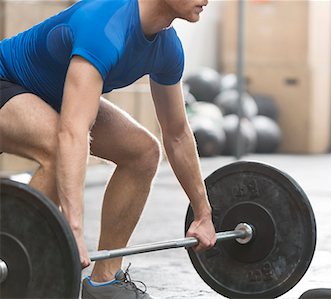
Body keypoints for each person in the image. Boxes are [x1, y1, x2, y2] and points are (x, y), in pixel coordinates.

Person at [0, 0, 216, 298]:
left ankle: (104, 282)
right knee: (57, 146)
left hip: (54, 96)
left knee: (143, 152)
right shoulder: (104, 24)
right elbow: (73, 133)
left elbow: (177, 134)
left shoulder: (167, 48)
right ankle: (14, 271)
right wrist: (72, 231)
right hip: (6, 80)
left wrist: (204, 214)